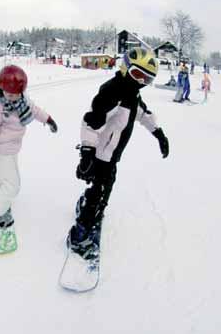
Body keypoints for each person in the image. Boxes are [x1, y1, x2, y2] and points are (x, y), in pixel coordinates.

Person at [67, 48, 169, 260]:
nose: (140, 81)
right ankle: (79, 236)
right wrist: (87, 151)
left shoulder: (132, 94)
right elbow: (91, 120)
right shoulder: (112, 92)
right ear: (125, 68)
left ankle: (88, 204)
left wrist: (158, 134)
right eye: (137, 75)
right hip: (100, 151)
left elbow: (142, 114)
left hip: (112, 152)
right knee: (101, 190)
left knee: (103, 187)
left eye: (146, 78)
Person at [0, 64, 58, 229]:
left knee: (7, 174)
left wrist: (49, 120)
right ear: (0, 87)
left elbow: (35, 110)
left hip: (13, 147)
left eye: (16, 94)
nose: (12, 98)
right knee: (13, 186)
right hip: (2, 148)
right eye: (8, 94)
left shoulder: (23, 101)